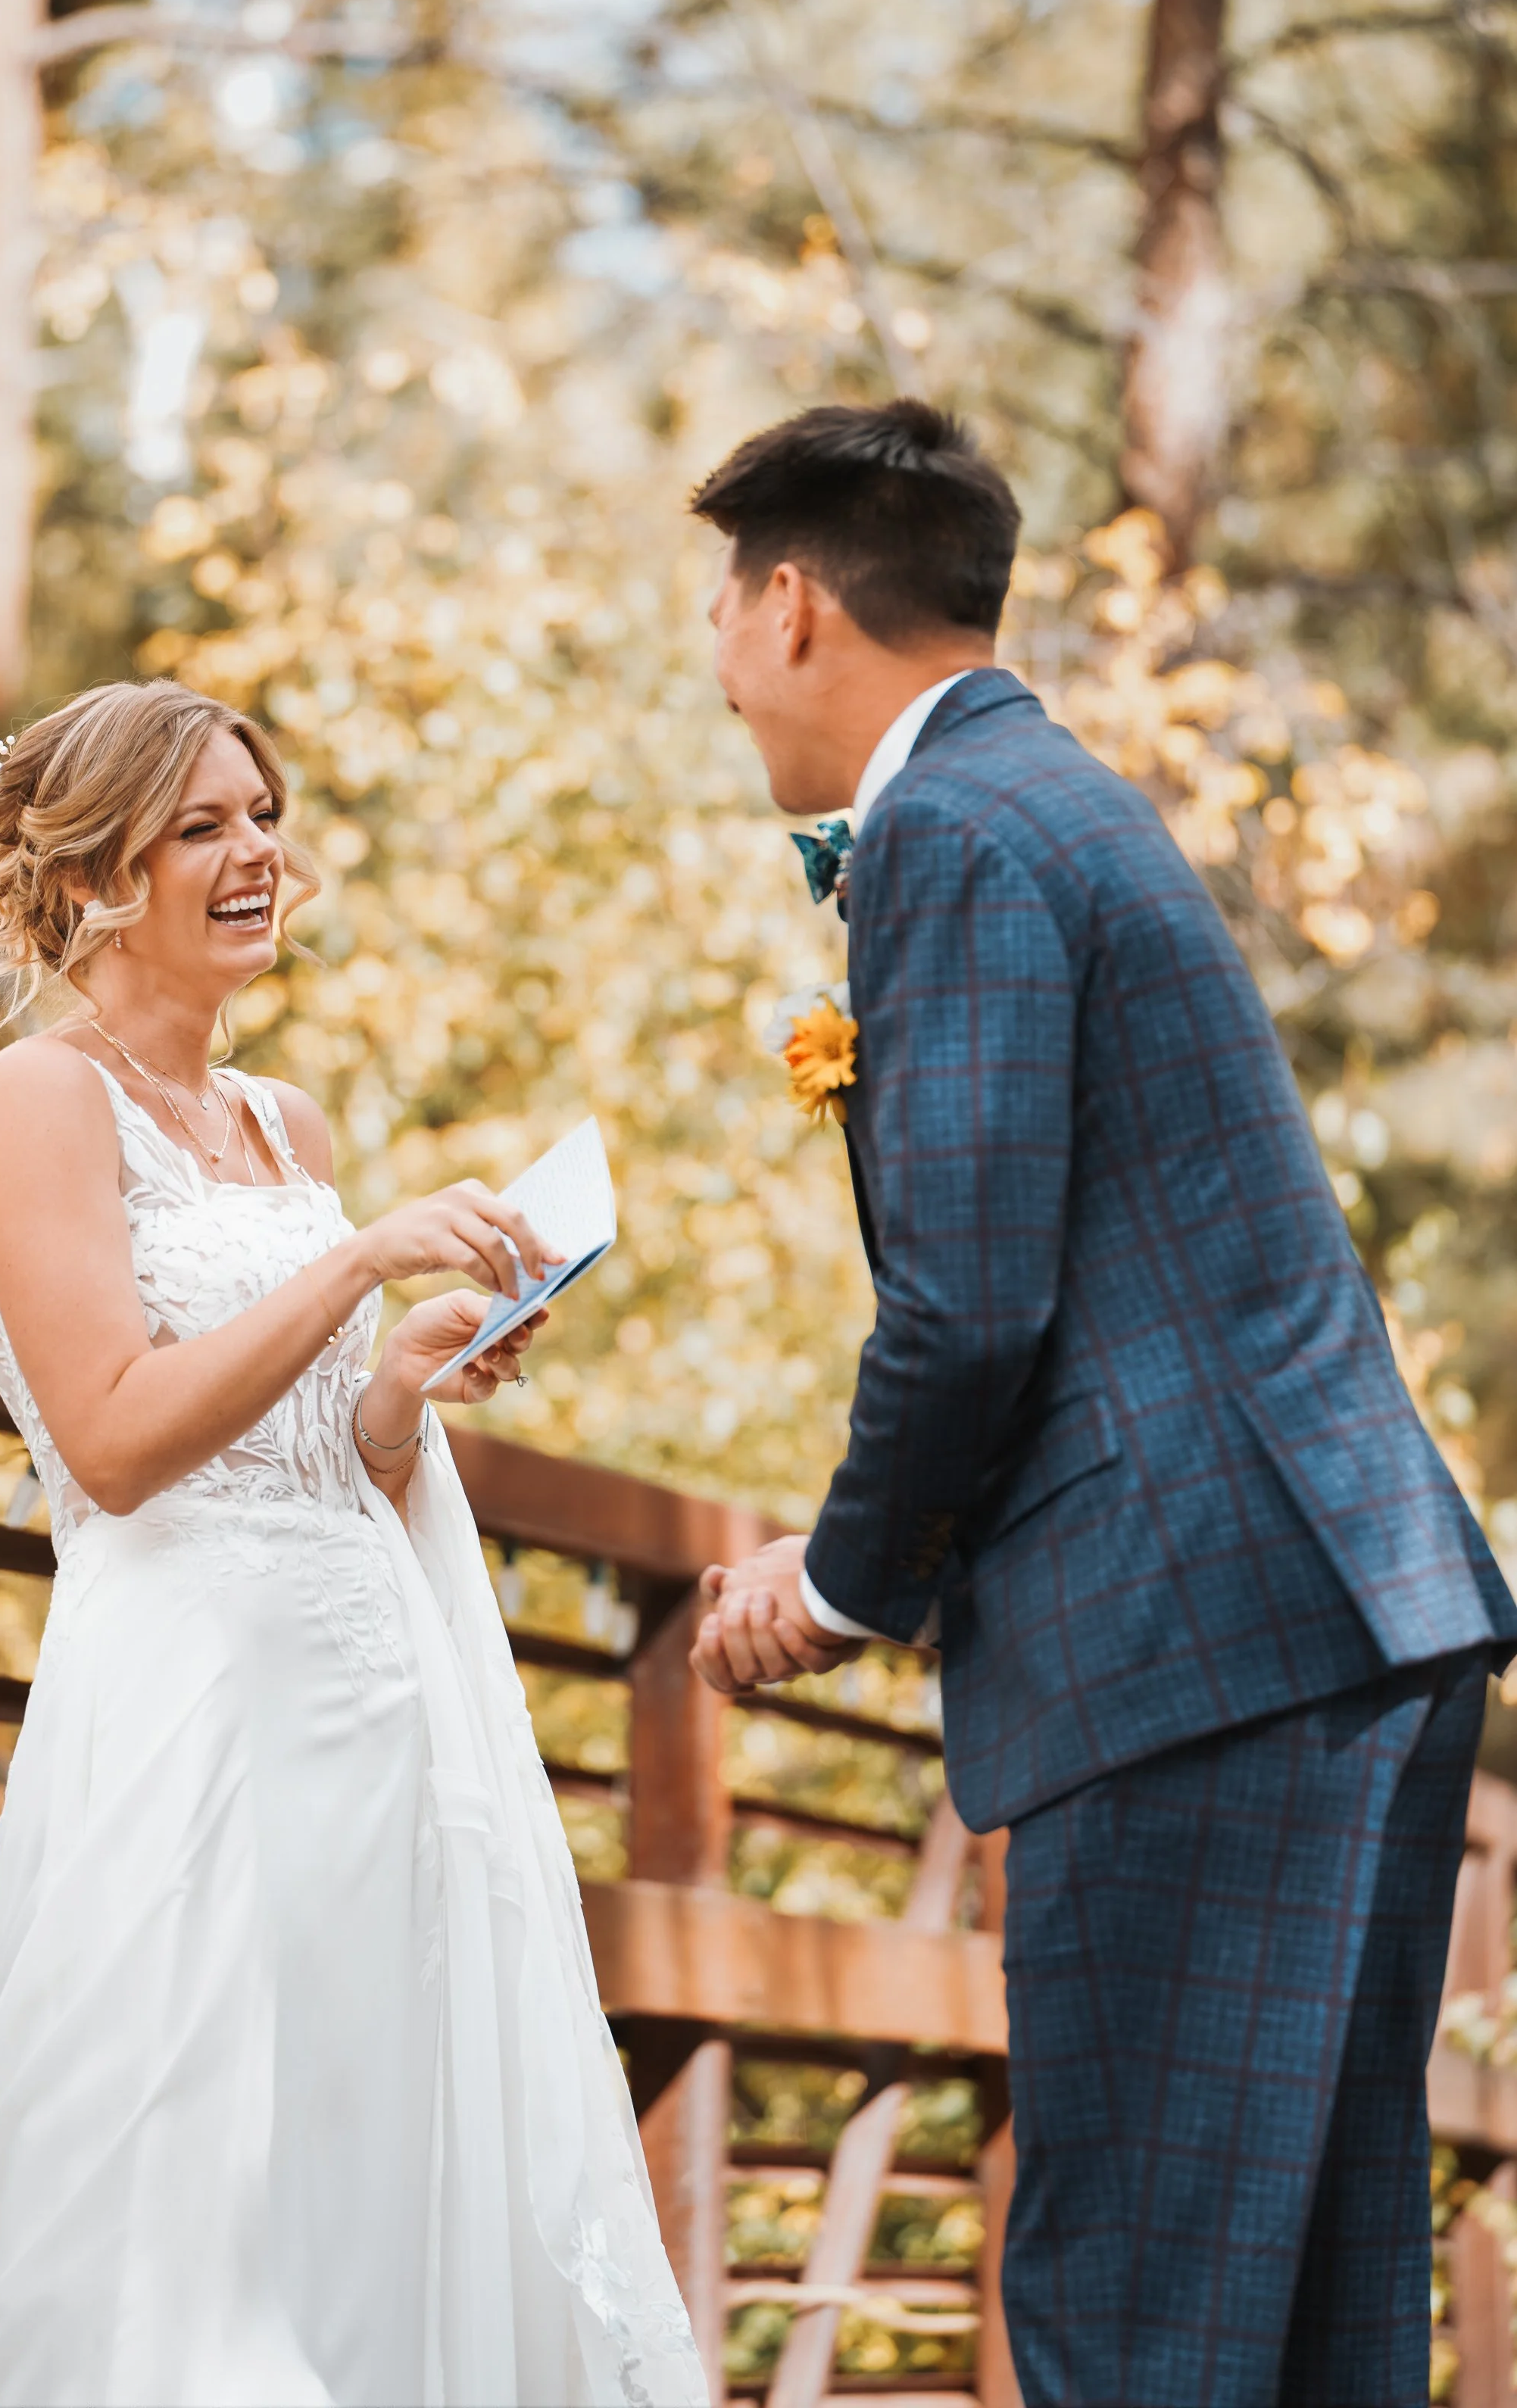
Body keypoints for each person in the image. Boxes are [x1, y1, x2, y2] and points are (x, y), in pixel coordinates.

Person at [685, 399, 1517, 2408]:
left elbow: (972, 1307)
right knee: (1308, 2326)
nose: (716, 663)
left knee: (1139, 2320)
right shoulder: (1053, 801)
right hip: (1330, 1628)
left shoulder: (953, 833)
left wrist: (840, 1585)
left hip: (1194, 1656)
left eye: (719, 610)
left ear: (791, 605)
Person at [0, 679, 705, 2408]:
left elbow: (316, 1451)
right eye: (203, 826)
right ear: (98, 874)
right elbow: (116, 1440)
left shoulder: (291, 1126)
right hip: (195, 1712)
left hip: (374, 1718)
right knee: (200, 2198)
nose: (257, 853)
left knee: (381, 2173)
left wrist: (402, 1382)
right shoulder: (37, 1101)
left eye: (264, 817)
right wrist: (357, 1266)